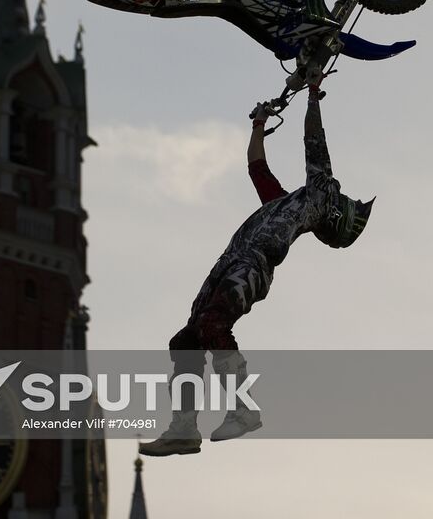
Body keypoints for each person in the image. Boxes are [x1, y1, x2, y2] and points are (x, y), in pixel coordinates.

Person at [139, 81, 374, 457]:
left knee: (215, 325)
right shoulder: (285, 205)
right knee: (186, 341)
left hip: (252, 264)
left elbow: (314, 141)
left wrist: (313, 95)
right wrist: (259, 127)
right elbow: (257, 169)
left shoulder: (319, 196)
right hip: (230, 261)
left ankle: (243, 409)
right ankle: (183, 428)